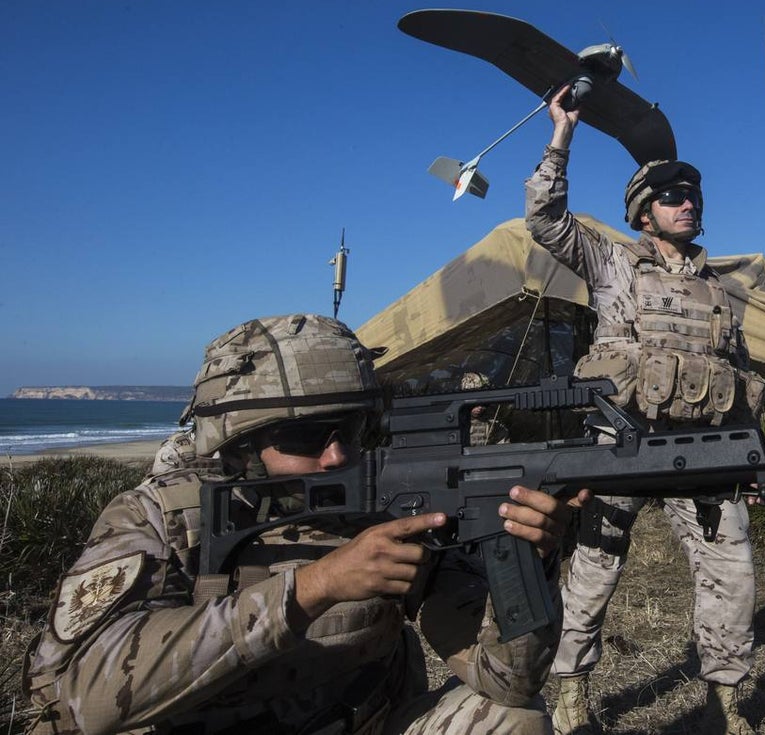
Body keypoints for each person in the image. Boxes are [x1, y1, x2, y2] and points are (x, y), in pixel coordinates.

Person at [24, 313, 585, 735]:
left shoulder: (390, 506)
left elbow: (507, 680)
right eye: (305, 437)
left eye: (351, 430)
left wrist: (529, 555)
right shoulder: (161, 518)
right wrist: (314, 587)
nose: (337, 455)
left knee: (514, 722)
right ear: (240, 444)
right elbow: (79, 696)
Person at [525, 86, 765, 735]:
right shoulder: (612, 264)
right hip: (620, 440)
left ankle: (725, 702)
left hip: (703, 448)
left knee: (732, 570)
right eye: (671, 196)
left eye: (692, 195)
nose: (687, 202)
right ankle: (572, 691)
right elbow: (545, 220)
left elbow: (737, 377)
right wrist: (561, 135)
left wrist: (751, 453)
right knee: (594, 568)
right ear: (643, 211)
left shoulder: (719, 291)